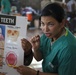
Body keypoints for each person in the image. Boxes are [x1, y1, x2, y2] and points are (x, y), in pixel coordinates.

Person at [14, 2, 76, 75]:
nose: (45, 29)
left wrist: (34, 73)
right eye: (42, 24)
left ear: (62, 23)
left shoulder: (68, 47)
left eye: (50, 24)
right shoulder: (49, 35)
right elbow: (38, 58)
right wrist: (36, 49)